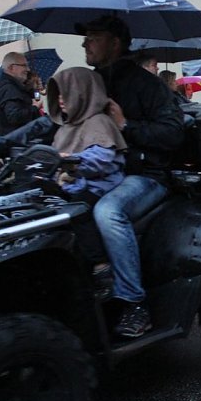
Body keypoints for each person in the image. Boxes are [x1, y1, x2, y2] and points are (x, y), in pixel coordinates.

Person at [0, 15, 185, 338]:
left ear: (115, 42)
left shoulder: (146, 85)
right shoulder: (87, 82)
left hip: (144, 174)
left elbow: (173, 133)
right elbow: (49, 124)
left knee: (108, 212)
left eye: (93, 37)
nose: (85, 43)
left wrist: (125, 126)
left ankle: (134, 303)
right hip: (96, 174)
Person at [46, 67, 127, 299]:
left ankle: (101, 266)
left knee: (77, 211)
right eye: (57, 95)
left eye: (65, 93)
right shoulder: (67, 127)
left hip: (99, 187)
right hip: (72, 185)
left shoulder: (99, 122)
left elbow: (100, 161)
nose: (60, 100)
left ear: (82, 92)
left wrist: (69, 161)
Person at [0, 51, 44, 136]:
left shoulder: (14, 88)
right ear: (11, 68)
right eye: (24, 65)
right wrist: (34, 108)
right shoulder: (9, 89)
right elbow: (15, 117)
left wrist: (33, 89)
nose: (28, 69)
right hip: (20, 145)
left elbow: (23, 102)